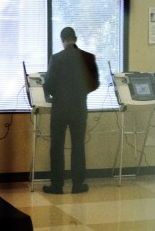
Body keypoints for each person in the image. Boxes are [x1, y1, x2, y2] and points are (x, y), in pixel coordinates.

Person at [42, 27, 99, 194]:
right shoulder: (88, 57)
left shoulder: (56, 58)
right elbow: (94, 84)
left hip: (60, 108)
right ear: (75, 38)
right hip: (79, 108)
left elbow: (49, 84)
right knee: (78, 146)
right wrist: (81, 92)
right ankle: (77, 184)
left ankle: (57, 185)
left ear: (62, 40)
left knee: (57, 147)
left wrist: (59, 93)